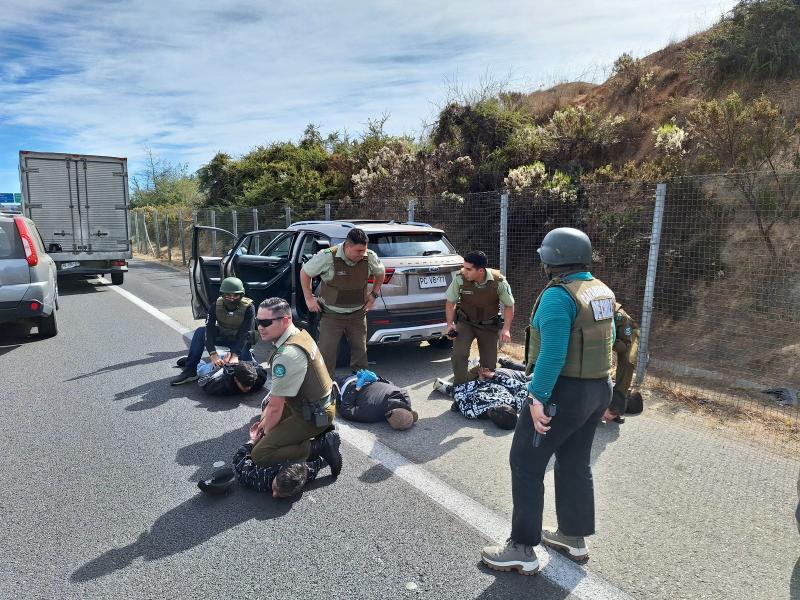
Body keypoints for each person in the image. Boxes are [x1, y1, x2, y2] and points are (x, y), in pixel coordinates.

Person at [481, 227, 615, 575]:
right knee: (574, 461)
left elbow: (554, 355)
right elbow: (610, 339)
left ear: (554, 259)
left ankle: (521, 549)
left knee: (526, 463)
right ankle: (573, 536)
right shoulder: (600, 290)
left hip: (561, 391)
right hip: (598, 387)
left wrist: (536, 398)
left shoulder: (559, 296)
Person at [249, 296, 342, 475]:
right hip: (315, 404)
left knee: (260, 454)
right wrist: (266, 422)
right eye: (258, 321)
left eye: (266, 322)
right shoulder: (298, 334)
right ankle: (313, 437)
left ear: (285, 320)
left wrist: (265, 434)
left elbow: (276, 407)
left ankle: (320, 446)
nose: (260, 327)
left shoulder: (287, 355)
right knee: (264, 420)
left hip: (314, 413)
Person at [300, 227, 385, 378]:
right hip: (331, 316)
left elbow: (381, 272)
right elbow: (305, 272)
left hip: (358, 314)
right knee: (327, 354)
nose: (362, 254)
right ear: (347, 246)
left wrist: (374, 294)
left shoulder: (369, 256)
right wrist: (309, 298)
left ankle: (361, 385)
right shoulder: (327, 257)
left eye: (364, 250)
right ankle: (325, 388)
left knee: (360, 353)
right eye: (359, 251)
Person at [444, 250, 515, 385]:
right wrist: (449, 325)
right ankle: (459, 386)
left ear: (481, 271)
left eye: (468, 269)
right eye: (464, 267)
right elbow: (450, 302)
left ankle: (473, 378)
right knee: (459, 355)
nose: (464, 271)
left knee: (489, 366)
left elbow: (509, 305)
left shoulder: (498, 281)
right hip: (466, 322)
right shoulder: (460, 278)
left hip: (488, 325)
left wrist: (506, 329)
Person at [171, 277, 255, 385]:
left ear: (242, 294)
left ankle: (248, 356)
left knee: (247, 373)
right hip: (223, 335)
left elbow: (245, 333)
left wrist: (235, 355)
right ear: (222, 294)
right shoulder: (215, 305)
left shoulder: (249, 307)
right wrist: (213, 354)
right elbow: (209, 330)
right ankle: (190, 370)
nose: (232, 298)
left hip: (240, 340)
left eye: (236, 295)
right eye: (228, 295)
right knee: (200, 331)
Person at [433, 367, 527, 430]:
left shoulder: (472, 411)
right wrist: (494, 376)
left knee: (457, 391)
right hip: (499, 378)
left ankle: (447, 388)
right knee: (497, 369)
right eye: (502, 403)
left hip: (476, 385)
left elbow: (459, 393)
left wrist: (480, 381)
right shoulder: (516, 404)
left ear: (491, 415)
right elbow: (523, 387)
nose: (495, 401)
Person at [337, 370, 419, 430]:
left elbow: (390, 384)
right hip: (349, 384)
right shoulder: (370, 414)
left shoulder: (403, 395)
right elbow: (345, 409)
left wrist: (377, 379)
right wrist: (356, 389)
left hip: (359, 378)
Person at [603, 303, 643, 423]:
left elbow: (623, 346)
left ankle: (616, 407)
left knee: (627, 363)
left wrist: (609, 341)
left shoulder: (620, 318)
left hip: (629, 336)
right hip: (610, 335)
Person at [197, 361, 269, 396]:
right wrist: (217, 369)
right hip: (222, 363)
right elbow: (203, 382)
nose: (248, 388)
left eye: (250, 385)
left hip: (240, 360)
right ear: (235, 379)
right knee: (201, 371)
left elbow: (258, 367)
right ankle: (198, 362)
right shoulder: (221, 384)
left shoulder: (260, 378)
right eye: (244, 386)